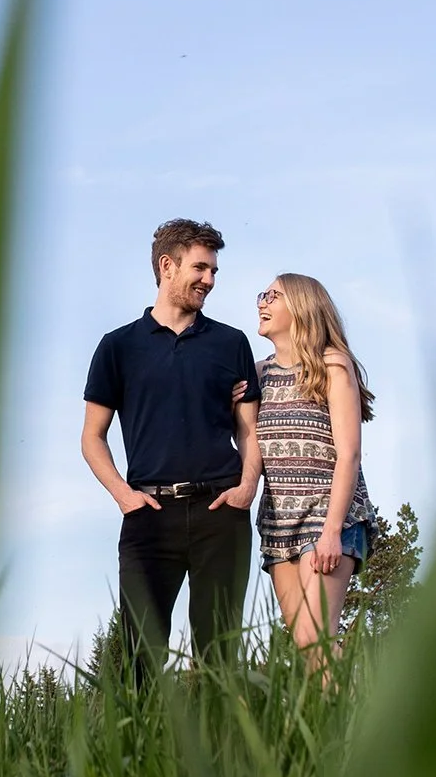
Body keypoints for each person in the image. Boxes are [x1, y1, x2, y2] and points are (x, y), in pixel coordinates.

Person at [81, 218, 262, 676]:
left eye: (214, 271)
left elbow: (248, 429)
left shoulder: (230, 342)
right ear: (167, 266)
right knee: (140, 658)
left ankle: (219, 748)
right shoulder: (117, 347)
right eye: (201, 268)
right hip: (148, 516)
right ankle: (140, 751)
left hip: (220, 511)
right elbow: (91, 437)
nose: (210, 280)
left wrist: (246, 489)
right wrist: (125, 497)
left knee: (219, 658)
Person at [252, 273, 378, 666]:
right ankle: (342, 726)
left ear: (302, 307)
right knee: (309, 651)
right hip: (278, 523)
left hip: (330, 517)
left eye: (274, 295)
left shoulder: (332, 366)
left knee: (313, 637)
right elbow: (250, 447)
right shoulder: (258, 375)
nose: (263, 302)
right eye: (263, 294)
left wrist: (332, 531)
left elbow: (350, 455)